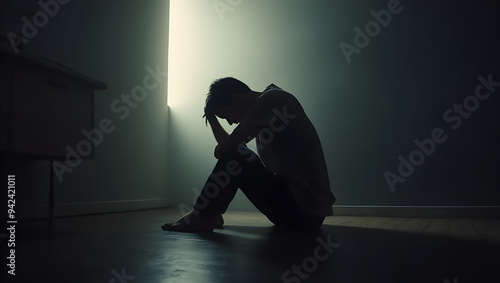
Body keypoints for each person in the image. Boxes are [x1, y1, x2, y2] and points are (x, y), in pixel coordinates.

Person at [162, 77, 335, 232]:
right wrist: (212, 118)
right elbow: (229, 147)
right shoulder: (268, 105)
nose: (230, 122)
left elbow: (224, 150)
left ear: (235, 99)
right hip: (302, 212)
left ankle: (202, 216)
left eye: (225, 115)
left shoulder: (271, 100)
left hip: (302, 213)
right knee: (238, 154)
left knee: (238, 156)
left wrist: (223, 142)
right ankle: (209, 214)